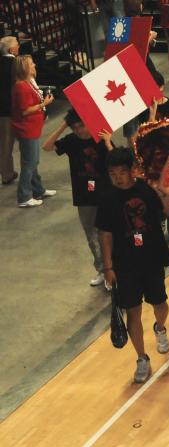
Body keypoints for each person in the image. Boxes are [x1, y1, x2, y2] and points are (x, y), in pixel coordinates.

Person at [96, 147, 169, 383]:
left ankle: (160, 328)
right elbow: (105, 234)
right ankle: (141, 357)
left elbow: (168, 212)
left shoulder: (146, 191)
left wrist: (161, 191)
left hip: (151, 258)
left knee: (160, 303)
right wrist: (108, 268)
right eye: (113, 173)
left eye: (122, 171)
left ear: (132, 170)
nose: (118, 177)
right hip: (124, 264)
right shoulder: (107, 198)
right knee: (133, 311)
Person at [42, 110, 114, 287]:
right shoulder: (71, 141)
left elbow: (116, 161)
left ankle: (112, 270)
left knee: (108, 234)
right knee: (91, 235)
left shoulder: (100, 137)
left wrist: (108, 142)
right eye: (75, 127)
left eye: (81, 125)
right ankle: (101, 270)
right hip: (84, 197)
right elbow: (47, 146)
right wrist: (63, 125)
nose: (79, 130)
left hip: (105, 194)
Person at [11, 55, 55, 208]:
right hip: (27, 130)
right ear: (24, 68)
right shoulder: (22, 86)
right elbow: (25, 111)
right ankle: (24, 196)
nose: (34, 64)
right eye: (31, 64)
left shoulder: (27, 83)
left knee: (33, 162)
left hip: (33, 129)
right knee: (29, 163)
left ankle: (38, 190)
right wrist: (45, 103)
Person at [0, 36, 19, 186]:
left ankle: (8, 171)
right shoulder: (14, 64)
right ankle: (6, 174)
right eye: (17, 45)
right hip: (7, 109)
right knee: (7, 142)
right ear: (11, 49)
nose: (19, 47)